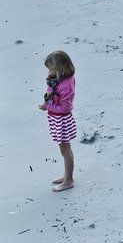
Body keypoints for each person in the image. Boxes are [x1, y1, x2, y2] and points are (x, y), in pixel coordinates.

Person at [38, 50, 76, 192]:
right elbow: (53, 94)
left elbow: (65, 108)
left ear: (59, 68)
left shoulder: (66, 85)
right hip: (56, 118)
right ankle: (67, 175)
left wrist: (48, 106)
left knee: (66, 151)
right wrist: (47, 104)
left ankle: (69, 180)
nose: (49, 71)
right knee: (64, 150)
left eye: (51, 69)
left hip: (62, 121)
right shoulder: (58, 80)